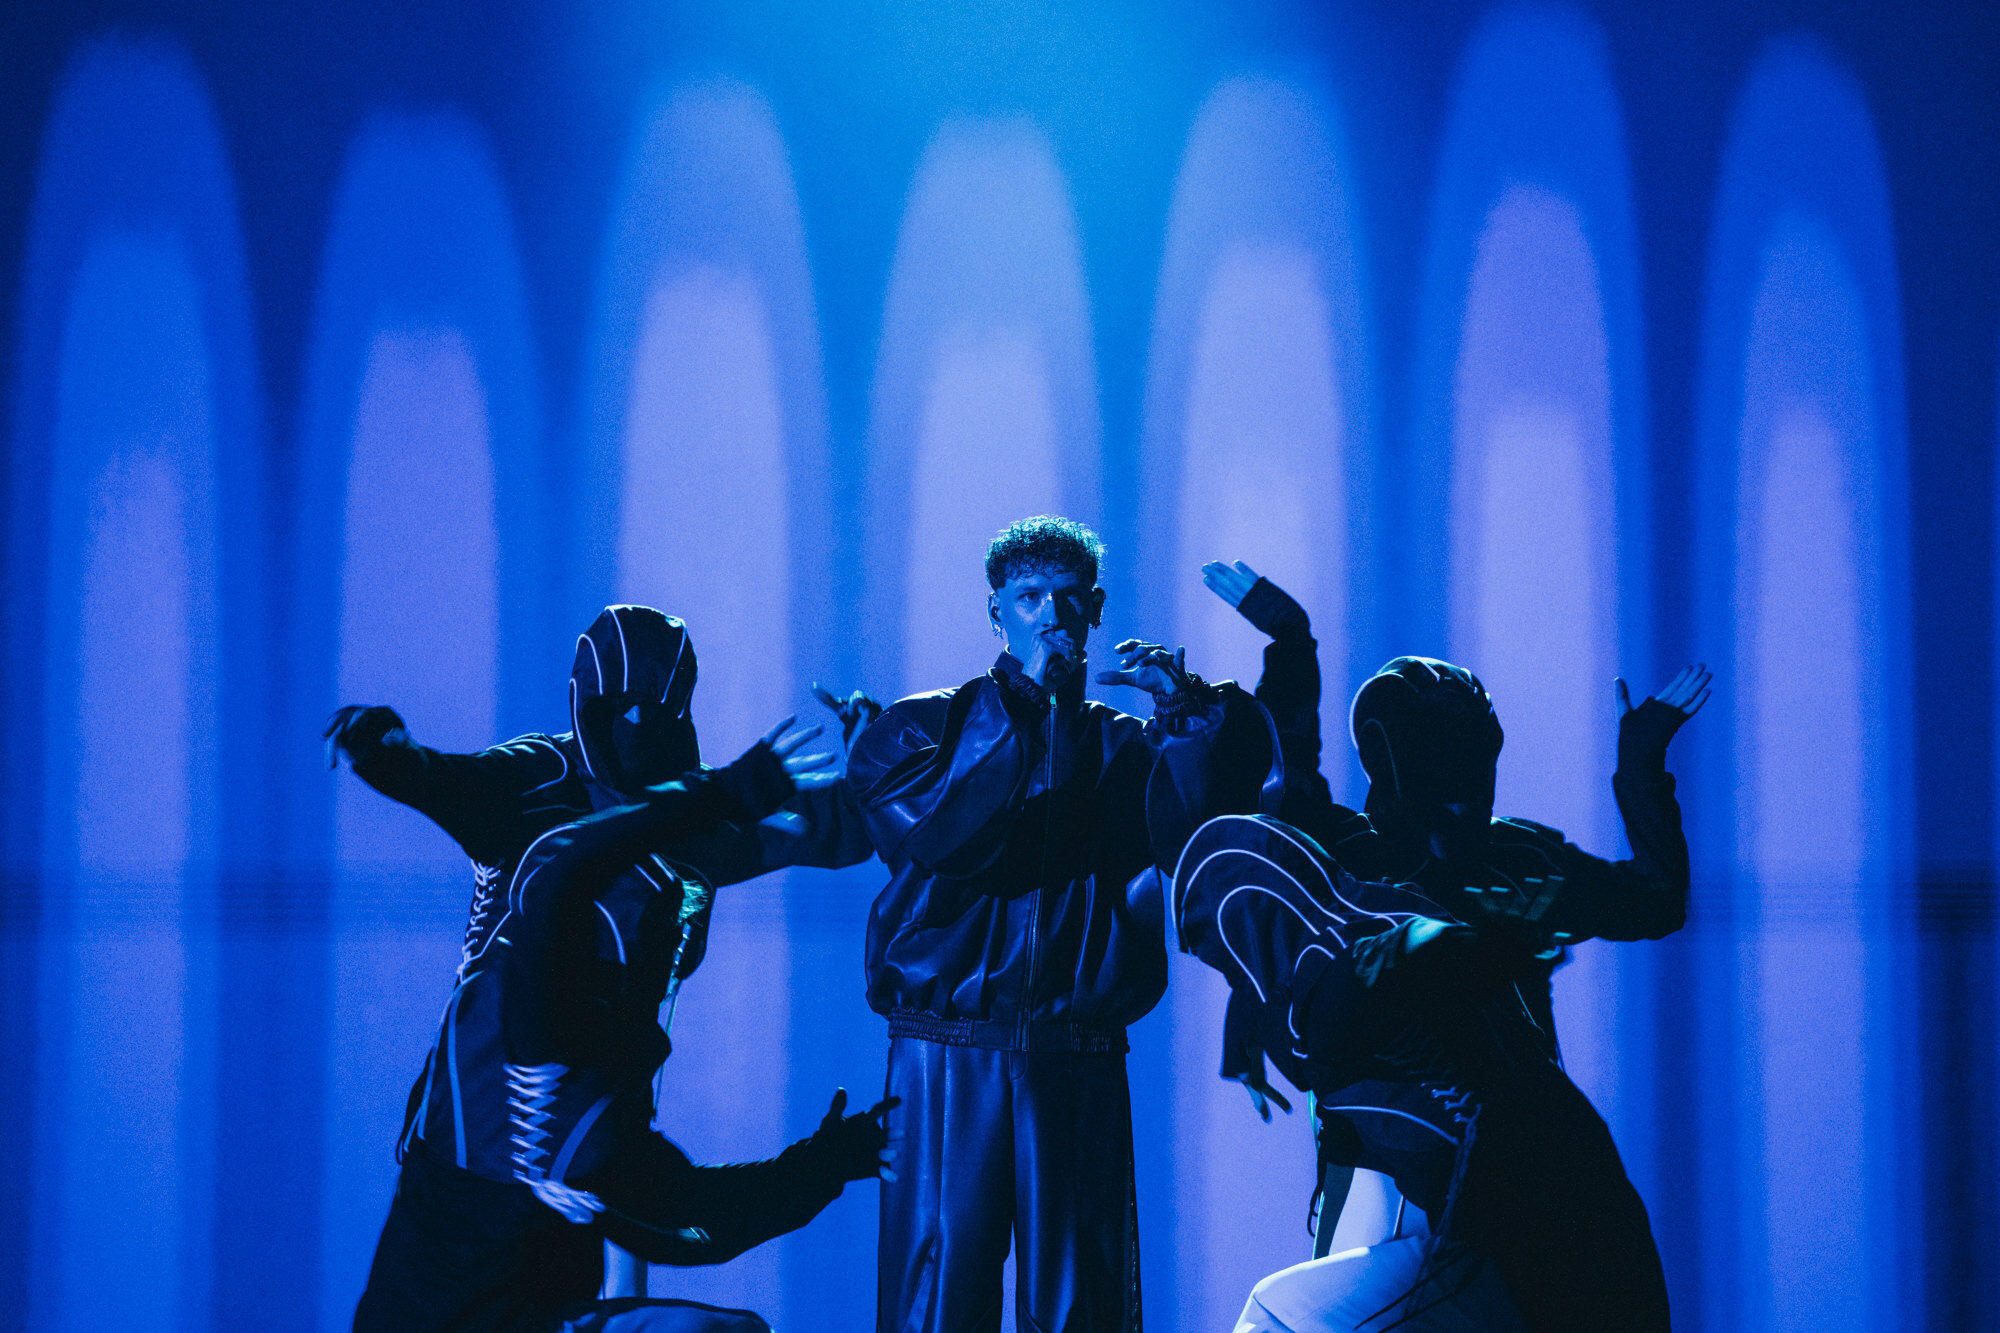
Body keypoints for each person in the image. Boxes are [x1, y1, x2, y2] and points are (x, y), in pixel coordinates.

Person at [1189, 560, 1709, 1331]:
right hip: (1392, 1160)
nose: (1469, 786)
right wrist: (1290, 642)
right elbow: (1287, 776)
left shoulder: (1515, 857)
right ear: (1394, 762)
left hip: (1501, 1165)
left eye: (1476, 758)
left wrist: (1641, 766)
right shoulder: (1358, 854)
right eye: (1444, 759)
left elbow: (1655, 899)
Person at [846, 516, 1280, 1333]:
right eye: (1029, 596)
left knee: (1085, 1301)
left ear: (1097, 609)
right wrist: (1023, 713)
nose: (1051, 614)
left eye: (1070, 598)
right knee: (936, 1294)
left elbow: (1205, 847)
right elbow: (949, 838)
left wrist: (1187, 719)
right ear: (995, 612)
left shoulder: (1125, 746)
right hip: (946, 1051)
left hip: (1074, 1051)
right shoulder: (919, 731)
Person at [352, 714, 895, 1332]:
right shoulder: (545, 814)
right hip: (481, 1257)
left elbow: (693, 1220)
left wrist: (878, 768)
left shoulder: (564, 1062)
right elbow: (555, 869)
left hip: (523, 1253)